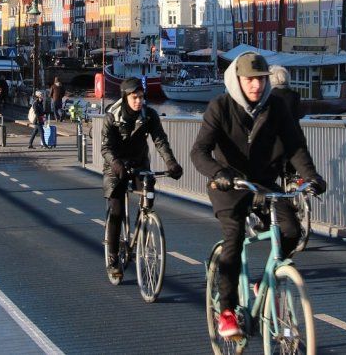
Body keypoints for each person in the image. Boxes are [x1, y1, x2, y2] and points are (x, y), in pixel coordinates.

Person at [190, 52, 325, 338]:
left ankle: (266, 281)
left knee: (291, 232)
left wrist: (311, 176)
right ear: (237, 80)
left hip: (264, 183)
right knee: (234, 238)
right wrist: (218, 173)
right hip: (230, 185)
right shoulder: (220, 107)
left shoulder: (276, 107)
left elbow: (295, 146)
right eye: (250, 80)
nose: (256, 86)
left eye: (261, 80)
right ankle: (227, 311)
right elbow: (199, 151)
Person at [101, 77, 184, 282]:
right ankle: (113, 259)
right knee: (117, 210)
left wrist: (171, 163)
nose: (139, 101)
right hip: (115, 165)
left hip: (139, 162)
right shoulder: (112, 115)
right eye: (134, 97)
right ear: (126, 96)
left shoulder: (149, 115)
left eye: (141, 97)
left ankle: (144, 225)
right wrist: (117, 165)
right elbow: (106, 148)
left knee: (148, 195)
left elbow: (159, 140)